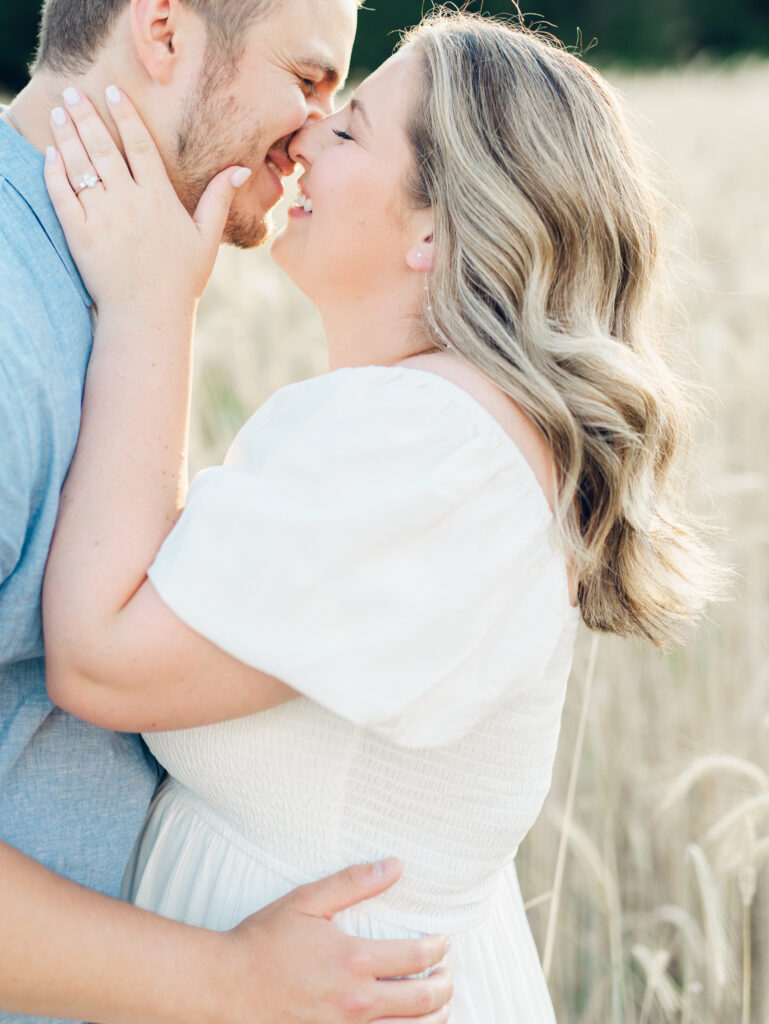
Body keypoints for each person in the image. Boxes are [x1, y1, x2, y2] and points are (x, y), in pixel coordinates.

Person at [41, 11, 721, 1023]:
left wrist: (152, 305)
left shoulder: (437, 455)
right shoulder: (427, 434)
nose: (304, 139)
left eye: (349, 128)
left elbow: (100, 658)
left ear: (436, 231)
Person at [0, 0, 453, 1020]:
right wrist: (225, 977)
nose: (314, 134)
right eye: (306, 82)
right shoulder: (11, 323)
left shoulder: (117, 273)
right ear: (164, 34)